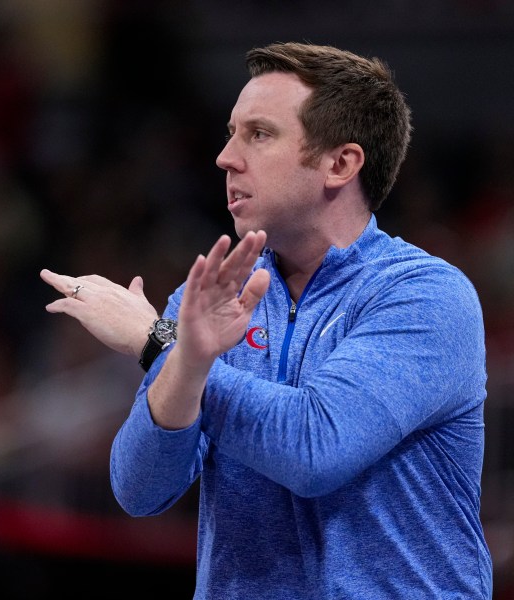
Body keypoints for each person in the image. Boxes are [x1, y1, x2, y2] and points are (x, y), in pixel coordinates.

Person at [40, 42, 492, 599]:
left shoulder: (426, 297)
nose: (225, 157)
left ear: (340, 164)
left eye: (258, 134)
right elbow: (140, 489)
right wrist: (185, 362)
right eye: (230, 132)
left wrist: (157, 344)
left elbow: (315, 449)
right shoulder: (210, 295)